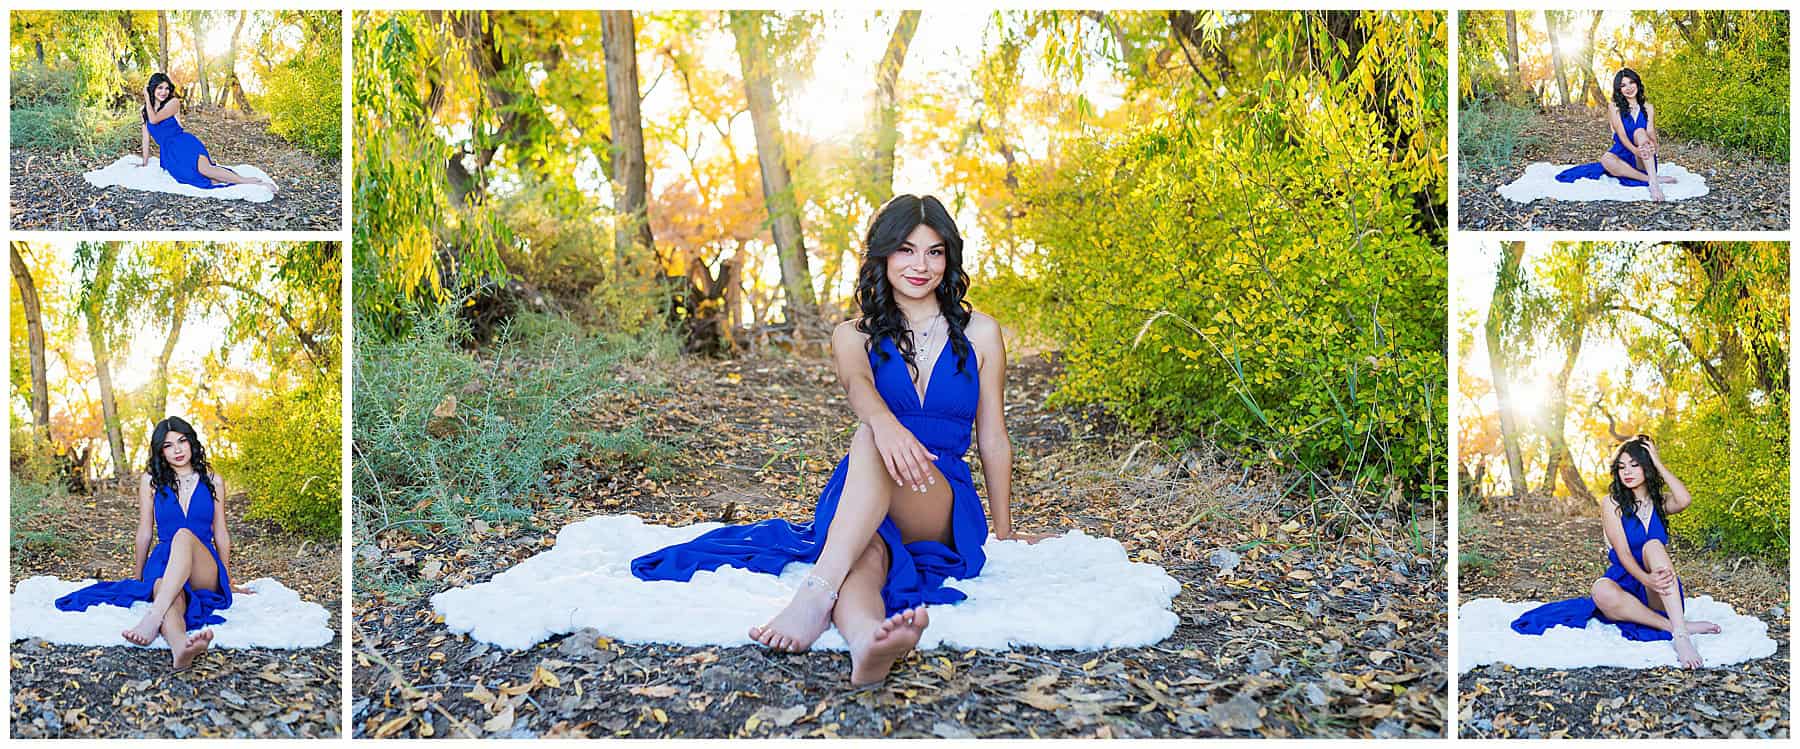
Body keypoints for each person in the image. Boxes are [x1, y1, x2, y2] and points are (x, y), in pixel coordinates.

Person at [632, 194, 1051, 685]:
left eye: (934, 252)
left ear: (949, 257)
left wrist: (1003, 531)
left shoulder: (981, 333)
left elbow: (994, 438)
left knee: (870, 439)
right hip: (862, 490)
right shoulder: (853, 334)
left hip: (936, 496)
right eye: (906, 251)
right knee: (866, 550)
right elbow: (858, 387)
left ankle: (814, 591)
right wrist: (888, 425)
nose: (920, 265)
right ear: (882, 255)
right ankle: (869, 642)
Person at [54, 417, 254, 671]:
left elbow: (221, 532)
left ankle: (152, 618)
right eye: (169, 445)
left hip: (203, 565)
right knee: (165, 589)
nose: (178, 450)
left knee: (183, 534)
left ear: (192, 443)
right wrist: (139, 576)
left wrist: (228, 579)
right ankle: (181, 647)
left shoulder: (213, 480)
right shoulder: (151, 481)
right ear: (161, 451)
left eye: (182, 441)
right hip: (164, 560)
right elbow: (144, 532)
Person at [1510, 435, 1718, 668]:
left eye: (1634, 465)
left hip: (1660, 588)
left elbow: (1685, 499)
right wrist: (1646, 578)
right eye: (1621, 467)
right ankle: (1677, 626)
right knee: (1600, 589)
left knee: (1653, 545)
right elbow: (1624, 554)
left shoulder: (1660, 502)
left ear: (1647, 467)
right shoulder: (1612, 504)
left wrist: (1659, 463)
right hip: (1627, 585)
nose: (1627, 472)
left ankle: (1681, 638)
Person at [137, 72, 277, 192]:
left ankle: (251, 183)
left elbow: (154, 120)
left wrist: (147, 98)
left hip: (184, 143)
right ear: (152, 88)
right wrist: (144, 162)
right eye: (160, 88)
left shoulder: (173, 103)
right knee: (195, 179)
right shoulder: (145, 111)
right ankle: (236, 182)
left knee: (206, 170)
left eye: (167, 88)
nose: (164, 92)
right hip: (169, 152)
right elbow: (145, 138)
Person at [1554, 68, 1679, 201]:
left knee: (1640, 132)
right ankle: (1653, 178)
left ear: (1637, 84)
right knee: (1605, 159)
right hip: (1624, 153)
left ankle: (1654, 185)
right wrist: (1635, 150)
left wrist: (1654, 146)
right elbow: (1621, 135)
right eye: (1623, 85)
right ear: (1619, 89)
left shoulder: (1648, 107)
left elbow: (1650, 132)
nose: (1629, 88)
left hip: (1644, 156)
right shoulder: (1614, 107)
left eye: (1631, 83)